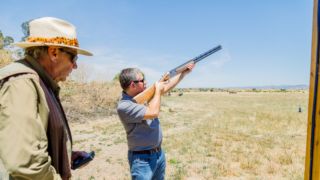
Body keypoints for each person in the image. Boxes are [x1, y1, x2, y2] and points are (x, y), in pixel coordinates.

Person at [0, 17, 93, 179]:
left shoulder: (40, 82)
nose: (75, 66)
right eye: (74, 58)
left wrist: (64, 155)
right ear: (54, 52)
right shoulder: (22, 83)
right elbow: (26, 164)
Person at [117, 64, 194, 180]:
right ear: (133, 84)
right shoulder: (124, 106)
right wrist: (157, 90)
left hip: (158, 154)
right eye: (142, 80)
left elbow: (166, 87)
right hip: (142, 161)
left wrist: (183, 73)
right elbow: (153, 112)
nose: (146, 82)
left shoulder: (142, 95)